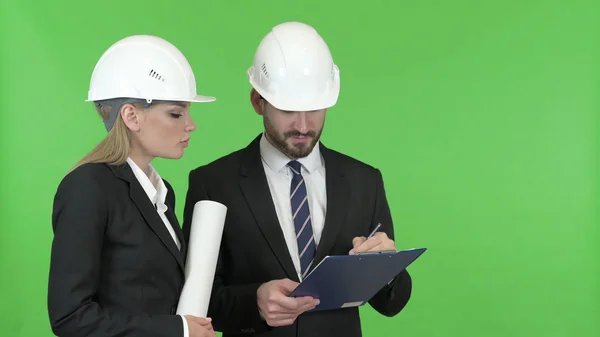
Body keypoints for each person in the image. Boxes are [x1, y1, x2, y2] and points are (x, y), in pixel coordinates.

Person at [181, 22, 413, 337]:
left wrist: (386, 268)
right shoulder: (214, 183)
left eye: (315, 109)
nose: (303, 126)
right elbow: (196, 302)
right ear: (257, 101)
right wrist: (255, 302)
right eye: (288, 109)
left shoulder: (364, 181)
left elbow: (392, 303)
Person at [47, 34, 218, 337]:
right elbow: (71, 317)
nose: (191, 125)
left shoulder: (161, 191)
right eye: (176, 113)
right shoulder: (88, 188)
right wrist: (178, 329)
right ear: (131, 116)